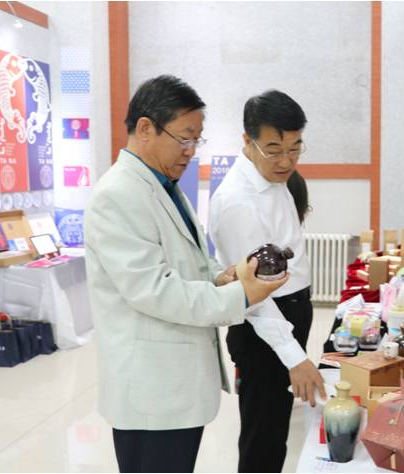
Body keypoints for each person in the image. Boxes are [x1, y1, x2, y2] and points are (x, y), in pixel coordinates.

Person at [84, 75, 288, 473]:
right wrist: (242, 295)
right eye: (184, 138)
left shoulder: (162, 185)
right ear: (146, 128)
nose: (191, 151)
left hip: (174, 385)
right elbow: (153, 290)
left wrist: (223, 277)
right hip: (151, 390)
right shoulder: (118, 194)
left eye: (197, 139)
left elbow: (191, 260)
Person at [209, 90, 326, 472]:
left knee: (274, 431)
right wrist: (294, 357)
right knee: (263, 438)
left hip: (288, 314)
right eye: (274, 150)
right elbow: (254, 296)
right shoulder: (238, 202)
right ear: (247, 140)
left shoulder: (277, 180)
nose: (286, 161)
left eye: (295, 148)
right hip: (265, 328)